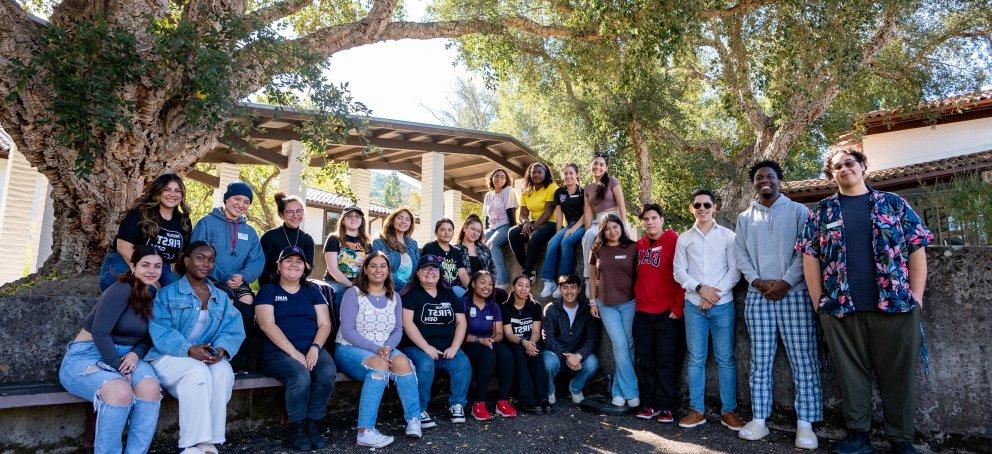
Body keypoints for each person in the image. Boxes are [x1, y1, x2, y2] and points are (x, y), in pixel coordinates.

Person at [798, 149, 932, 454]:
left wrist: (917, 298)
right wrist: (820, 304)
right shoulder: (821, 212)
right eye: (837, 167)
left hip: (896, 305)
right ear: (831, 174)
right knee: (850, 374)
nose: (844, 169)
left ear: (862, 167)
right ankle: (858, 435)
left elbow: (916, 249)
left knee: (898, 375)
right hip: (841, 308)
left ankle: (900, 438)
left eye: (849, 163)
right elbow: (810, 258)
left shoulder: (894, 204)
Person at [735, 160, 822, 449]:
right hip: (758, 297)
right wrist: (758, 282)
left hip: (794, 295)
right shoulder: (745, 217)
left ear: (779, 180)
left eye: (769, 176)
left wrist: (785, 282)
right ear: (754, 183)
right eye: (759, 177)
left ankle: (805, 424)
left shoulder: (800, 211)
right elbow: (741, 255)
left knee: (803, 360)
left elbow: (806, 252)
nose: (764, 181)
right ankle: (759, 419)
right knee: (760, 361)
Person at [60, 245, 164, 454]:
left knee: (151, 390)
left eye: (157, 266)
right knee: (120, 392)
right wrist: (119, 367)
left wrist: (136, 353)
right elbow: (100, 332)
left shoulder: (153, 295)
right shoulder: (121, 289)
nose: (152, 270)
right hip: (88, 354)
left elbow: (150, 338)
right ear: (133, 266)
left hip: (128, 356)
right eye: (145, 265)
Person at [147, 241, 246, 454]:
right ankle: (192, 444)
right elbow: (161, 330)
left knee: (222, 372)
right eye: (200, 258)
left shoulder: (221, 297)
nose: (206, 264)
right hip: (168, 356)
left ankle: (209, 442)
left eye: (211, 260)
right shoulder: (167, 294)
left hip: (204, 356)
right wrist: (189, 350)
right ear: (187, 260)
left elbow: (233, 329)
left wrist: (221, 350)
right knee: (197, 372)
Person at [673, 188, 743, 431]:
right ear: (691, 208)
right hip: (694, 306)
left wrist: (714, 294)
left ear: (715, 207)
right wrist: (700, 288)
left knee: (725, 359)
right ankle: (697, 410)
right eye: (697, 205)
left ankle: (729, 412)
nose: (702, 209)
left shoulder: (728, 236)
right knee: (696, 359)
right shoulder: (684, 238)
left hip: (722, 306)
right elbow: (679, 271)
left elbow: (735, 269)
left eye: (706, 205)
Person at [334, 252, 422, 448]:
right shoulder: (353, 294)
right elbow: (347, 331)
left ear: (388, 271)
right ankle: (365, 431)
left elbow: (398, 329)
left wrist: (388, 347)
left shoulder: (395, 297)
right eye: (373, 266)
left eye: (383, 266)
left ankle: (413, 419)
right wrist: (376, 349)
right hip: (350, 349)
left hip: (384, 348)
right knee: (380, 365)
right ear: (365, 269)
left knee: (402, 362)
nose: (378, 270)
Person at [256, 246, 336, 451]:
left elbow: (325, 324)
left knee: (327, 371)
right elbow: (267, 325)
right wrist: (294, 353)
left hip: (311, 347)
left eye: (299, 261)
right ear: (279, 266)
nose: (294, 264)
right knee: (300, 375)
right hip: (278, 352)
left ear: (305, 267)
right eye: (288, 260)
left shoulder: (313, 290)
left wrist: (315, 348)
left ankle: (313, 423)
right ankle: (297, 426)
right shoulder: (268, 290)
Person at [191, 181, 263, 370]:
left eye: (246, 201)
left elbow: (257, 260)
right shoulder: (206, 222)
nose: (241, 204)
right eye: (237, 198)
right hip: (208, 279)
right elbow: (196, 254)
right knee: (226, 300)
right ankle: (214, 351)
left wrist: (243, 277)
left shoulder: (249, 231)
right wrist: (223, 277)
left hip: (237, 280)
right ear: (226, 199)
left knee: (248, 301)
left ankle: (240, 358)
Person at [399, 254, 472, 426]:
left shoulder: (448, 293)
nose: (430, 272)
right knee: (425, 364)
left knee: (462, 362)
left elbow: (461, 321)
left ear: (440, 273)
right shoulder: (411, 294)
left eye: (434, 268)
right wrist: (426, 347)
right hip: (416, 347)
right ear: (417, 273)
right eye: (425, 268)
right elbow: (407, 323)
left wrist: (455, 347)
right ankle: (420, 409)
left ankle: (457, 405)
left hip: (446, 347)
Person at [632, 204, 685, 424]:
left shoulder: (675, 240)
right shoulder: (640, 244)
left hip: (667, 314)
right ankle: (648, 404)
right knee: (646, 361)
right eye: (646, 219)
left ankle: (665, 406)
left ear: (662, 220)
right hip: (643, 313)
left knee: (667, 361)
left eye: (654, 218)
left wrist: (678, 306)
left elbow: (685, 274)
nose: (650, 222)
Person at [100, 173, 191, 291]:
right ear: (158, 192)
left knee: (180, 291)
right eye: (167, 190)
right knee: (147, 292)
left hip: (160, 268)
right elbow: (123, 247)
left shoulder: (183, 221)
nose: (173, 194)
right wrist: (151, 281)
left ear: (182, 195)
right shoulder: (140, 213)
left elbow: (182, 255)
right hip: (125, 262)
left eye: (177, 191)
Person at [588, 213, 640, 408]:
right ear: (602, 230)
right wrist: (592, 301)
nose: (612, 231)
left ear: (621, 228)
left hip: (629, 303)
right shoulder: (597, 249)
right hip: (606, 304)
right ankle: (632, 391)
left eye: (615, 227)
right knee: (619, 344)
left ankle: (618, 390)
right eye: (607, 228)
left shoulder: (633, 247)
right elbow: (592, 278)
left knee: (629, 345)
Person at [460, 270, 516, 421]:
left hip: (488, 341)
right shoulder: (463, 303)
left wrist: (492, 339)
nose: (487, 287)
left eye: (490, 284)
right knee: (488, 356)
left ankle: (502, 401)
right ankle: (478, 403)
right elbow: (459, 333)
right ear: (473, 284)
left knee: (506, 355)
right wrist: (480, 340)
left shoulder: (493, 306)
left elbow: (499, 333)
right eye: (482, 282)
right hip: (469, 342)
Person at [542, 274, 601, 404]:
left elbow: (592, 338)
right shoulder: (551, 309)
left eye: (573, 287)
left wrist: (579, 355)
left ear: (579, 289)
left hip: (577, 355)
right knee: (547, 363)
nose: (569, 291)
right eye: (565, 287)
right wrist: (567, 356)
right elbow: (548, 338)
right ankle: (549, 390)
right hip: (556, 355)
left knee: (593, 363)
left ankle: (575, 388)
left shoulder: (586, 309)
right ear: (560, 289)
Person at [501, 275, 550, 413]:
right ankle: (526, 399)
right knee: (519, 354)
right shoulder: (505, 307)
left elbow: (536, 330)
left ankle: (543, 398)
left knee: (537, 354)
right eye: (520, 285)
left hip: (530, 341)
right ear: (513, 287)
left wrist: (531, 344)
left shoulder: (535, 306)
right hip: (514, 343)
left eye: (527, 285)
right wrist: (523, 342)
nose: (523, 288)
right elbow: (509, 334)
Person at [539, 163, 587, 298]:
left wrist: (574, 229)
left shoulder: (583, 192)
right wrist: (558, 233)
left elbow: (586, 215)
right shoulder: (559, 192)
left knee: (566, 242)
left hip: (581, 225)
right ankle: (549, 281)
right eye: (565, 173)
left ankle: (563, 282)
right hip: (568, 225)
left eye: (571, 173)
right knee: (552, 243)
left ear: (577, 175)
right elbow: (559, 214)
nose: (568, 176)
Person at [581, 153, 627, 283]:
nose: (598, 167)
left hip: (615, 217)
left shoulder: (612, 181)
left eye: (601, 164)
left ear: (606, 168)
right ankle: (588, 276)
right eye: (595, 163)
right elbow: (588, 212)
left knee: (625, 239)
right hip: (599, 221)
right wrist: (587, 230)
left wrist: (623, 224)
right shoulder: (588, 188)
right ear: (591, 165)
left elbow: (622, 205)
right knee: (589, 236)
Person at [508, 162, 559, 280]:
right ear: (529, 174)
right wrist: (526, 222)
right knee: (513, 232)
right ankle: (529, 268)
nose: (536, 174)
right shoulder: (527, 190)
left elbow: (549, 211)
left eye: (540, 172)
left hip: (551, 223)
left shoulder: (552, 187)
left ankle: (526, 273)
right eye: (533, 172)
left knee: (534, 236)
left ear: (546, 173)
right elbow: (523, 213)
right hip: (534, 222)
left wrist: (532, 226)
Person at [259, 193, 315, 286]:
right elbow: (262, 269)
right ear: (282, 215)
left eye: (299, 211)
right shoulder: (269, 237)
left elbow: (308, 268)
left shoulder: (307, 239)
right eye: (290, 212)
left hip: (297, 286)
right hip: (272, 286)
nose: (295, 215)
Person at [323, 205, 372, 311]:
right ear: (343, 220)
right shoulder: (334, 239)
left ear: (361, 220)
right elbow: (333, 270)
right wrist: (351, 285)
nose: (353, 218)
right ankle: (340, 326)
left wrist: (361, 285)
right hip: (336, 282)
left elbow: (368, 268)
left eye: (357, 216)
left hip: (359, 282)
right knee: (343, 293)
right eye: (349, 216)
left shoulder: (366, 242)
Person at [454, 214, 507, 303]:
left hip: (484, 288)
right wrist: (472, 290)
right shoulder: (455, 250)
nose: (475, 233)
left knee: (502, 295)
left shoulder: (484, 248)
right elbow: (457, 274)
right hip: (464, 288)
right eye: (472, 229)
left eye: (479, 231)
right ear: (464, 228)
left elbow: (492, 269)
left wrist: (488, 286)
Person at [482, 168, 518, 288]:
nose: (499, 178)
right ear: (492, 179)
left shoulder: (508, 190)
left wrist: (514, 231)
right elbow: (487, 217)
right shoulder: (488, 195)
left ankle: (502, 281)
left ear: (506, 180)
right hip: (492, 227)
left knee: (492, 243)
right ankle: (484, 278)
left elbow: (511, 211)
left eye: (503, 177)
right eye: (496, 176)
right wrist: (485, 233)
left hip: (506, 225)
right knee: (478, 243)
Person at [371, 207, 420, 290]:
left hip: (410, 289)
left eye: (407, 219)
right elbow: (378, 269)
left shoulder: (413, 243)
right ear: (392, 220)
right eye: (399, 218)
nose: (403, 221)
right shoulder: (379, 241)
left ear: (410, 224)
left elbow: (417, 268)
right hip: (389, 289)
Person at [420, 218, 470, 297]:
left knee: (467, 297)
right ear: (437, 231)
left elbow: (462, 272)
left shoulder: (456, 251)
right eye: (443, 230)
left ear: (453, 232)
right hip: (436, 287)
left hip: (454, 288)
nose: (446, 233)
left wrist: (470, 289)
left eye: (450, 230)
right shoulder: (429, 248)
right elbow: (427, 270)